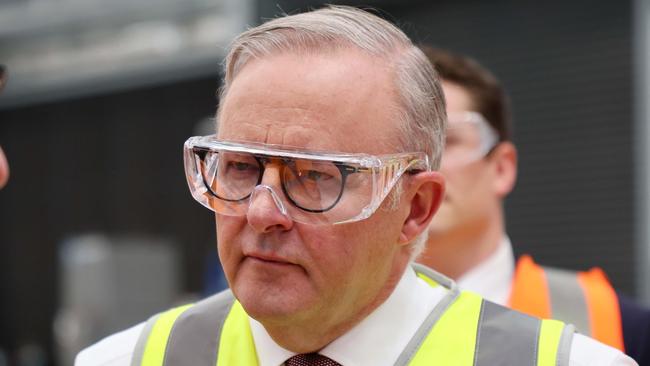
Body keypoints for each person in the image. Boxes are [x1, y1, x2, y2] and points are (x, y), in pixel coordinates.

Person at [76, 6, 636, 366]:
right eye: (241, 168)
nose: (262, 212)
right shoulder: (123, 361)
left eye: (316, 176)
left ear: (416, 208)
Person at [418, 46, 650, 365]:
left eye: (449, 140)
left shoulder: (619, 326)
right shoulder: (343, 324)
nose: (424, 166)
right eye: (405, 147)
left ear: (502, 168)